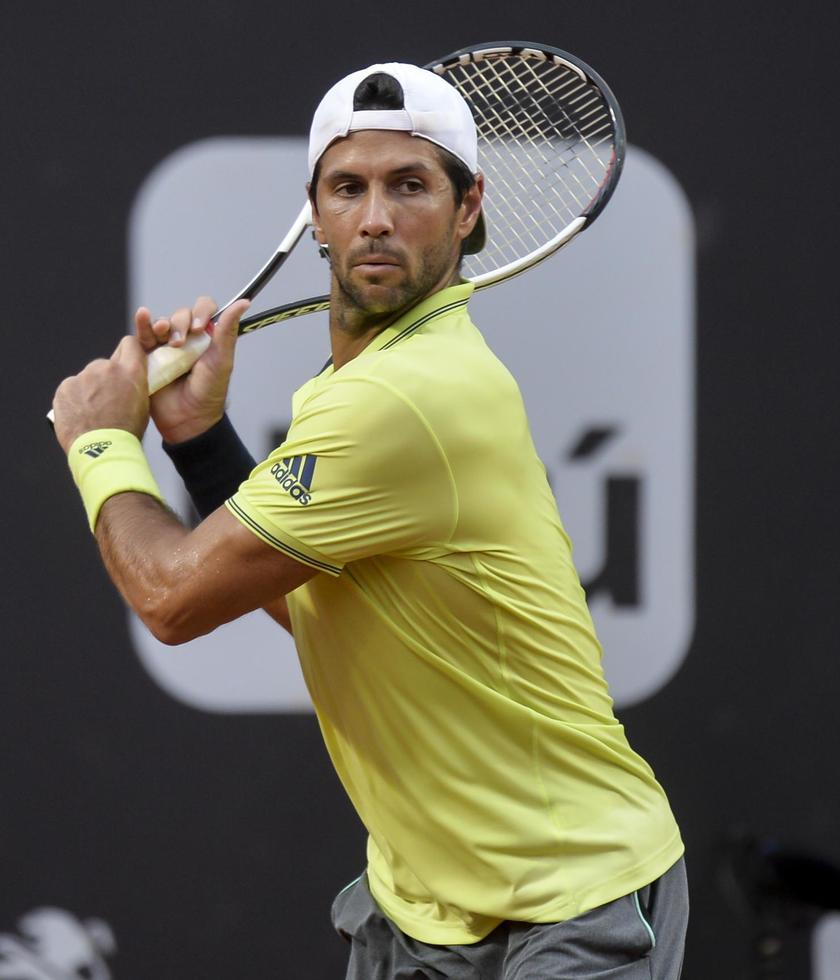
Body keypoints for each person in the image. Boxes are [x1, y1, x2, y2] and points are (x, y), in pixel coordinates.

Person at [51, 61, 686, 979]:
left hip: (575, 897)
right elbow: (316, 600)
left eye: (410, 186)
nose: (376, 217)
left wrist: (100, 445)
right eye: (348, 187)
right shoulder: (354, 389)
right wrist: (194, 439)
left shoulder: (407, 396)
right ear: (314, 214)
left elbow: (171, 600)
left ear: (468, 210)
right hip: (424, 906)